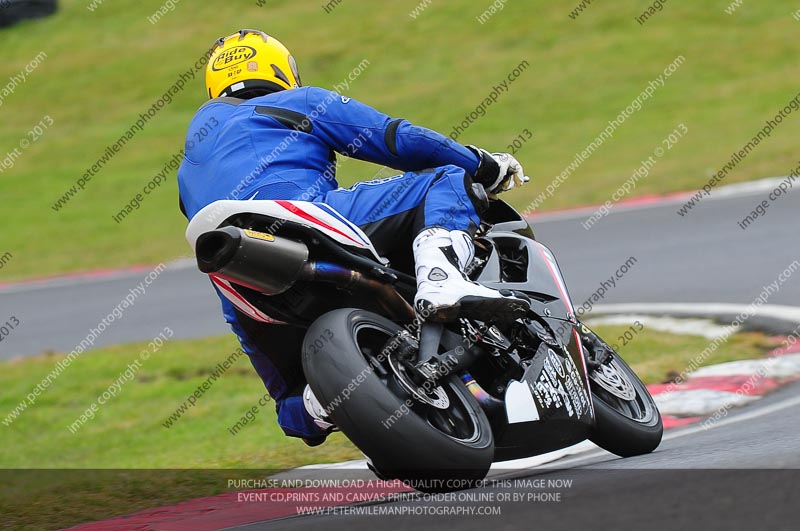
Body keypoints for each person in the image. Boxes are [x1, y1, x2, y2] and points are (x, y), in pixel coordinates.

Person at [177, 29, 531, 445]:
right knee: (446, 180)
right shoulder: (296, 100)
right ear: (281, 69)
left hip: (237, 277)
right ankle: (441, 277)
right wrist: (483, 165)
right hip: (304, 220)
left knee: (289, 403)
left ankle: (318, 404)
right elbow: (398, 139)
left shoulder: (189, 163)